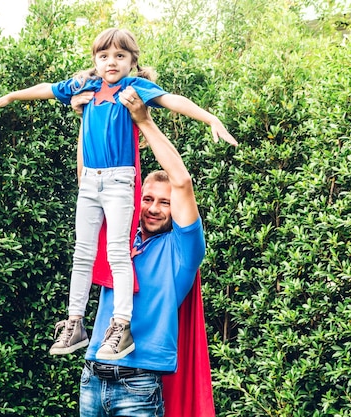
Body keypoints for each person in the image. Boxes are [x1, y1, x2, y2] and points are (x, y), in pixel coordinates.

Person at [0, 28, 237, 361]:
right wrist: (13, 96)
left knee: (118, 250)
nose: (111, 62)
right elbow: (47, 89)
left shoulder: (133, 89)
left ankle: (121, 325)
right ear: (95, 61)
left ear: (133, 61)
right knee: (83, 253)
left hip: (119, 180)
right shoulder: (85, 88)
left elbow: (171, 100)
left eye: (120, 56)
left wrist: (210, 118)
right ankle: (74, 323)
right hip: (90, 181)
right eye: (104, 56)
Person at [70, 85, 237, 416]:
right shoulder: (119, 240)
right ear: (135, 199)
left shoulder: (182, 250)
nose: (154, 208)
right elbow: (87, 179)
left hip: (139, 387)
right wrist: (87, 117)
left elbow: (182, 181)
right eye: (148, 199)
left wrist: (143, 119)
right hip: (92, 378)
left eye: (165, 202)